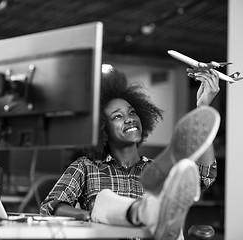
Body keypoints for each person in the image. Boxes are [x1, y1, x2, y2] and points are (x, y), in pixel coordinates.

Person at [39, 64, 220, 239]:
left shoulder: (155, 170)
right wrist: (90, 217)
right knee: (104, 200)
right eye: (117, 116)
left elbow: (204, 176)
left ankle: (156, 216)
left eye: (132, 113)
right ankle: (151, 213)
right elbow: (51, 206)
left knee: (175, 177)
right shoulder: (86, 167)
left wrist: (203, 106)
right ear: (102, 129)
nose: (129, 119)